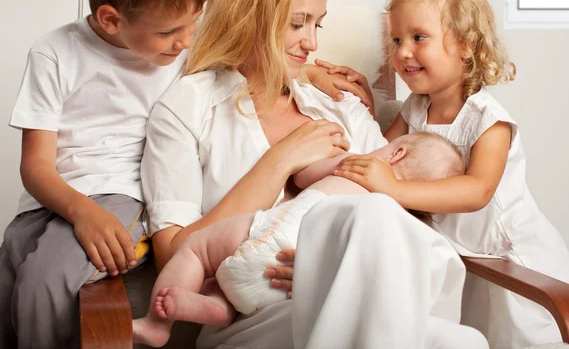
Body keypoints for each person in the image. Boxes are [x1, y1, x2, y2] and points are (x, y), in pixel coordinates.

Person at [141, 0, 487, 349]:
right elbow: (173, 251)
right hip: (253, 319)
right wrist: (279, 162)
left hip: (365, 296)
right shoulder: (189, 107)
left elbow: (402, 221)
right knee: (373, 216)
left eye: (317, 23)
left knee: (462, 342)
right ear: (247, 13)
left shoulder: (337, 104)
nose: (312, 42)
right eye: (296, 23)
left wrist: (331, 266)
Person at [331, 0, 569, 348]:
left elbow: (476, 190)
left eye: (419, 38)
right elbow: (380, 156)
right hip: (462, 256)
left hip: (510, 256)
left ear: (466, 45)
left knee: (520, 336)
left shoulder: (486, 119)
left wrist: (396, 190)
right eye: (396, 40)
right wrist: (365, 97)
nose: (402, 52)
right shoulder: (415, 108)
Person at [0, 0, 210, 348]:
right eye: (170, 31)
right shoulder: (54, 52)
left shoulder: (187, 53)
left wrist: (317, 77)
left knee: (46, 278)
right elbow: (36, 165)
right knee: (11, 269)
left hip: (123, 193)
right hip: (52, 198)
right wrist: (79, 211)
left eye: (193, 24)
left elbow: (259, 60)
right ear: (110, 19)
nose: (186, 41)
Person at [133, 131, 465, 347]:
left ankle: (161, 323)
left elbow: (303, 175)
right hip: (290, 292)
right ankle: (220, 310)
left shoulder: (360, 165)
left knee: (199, 251)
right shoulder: (400, 213)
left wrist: (327, 156)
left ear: (396, 153)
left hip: (276, 238)